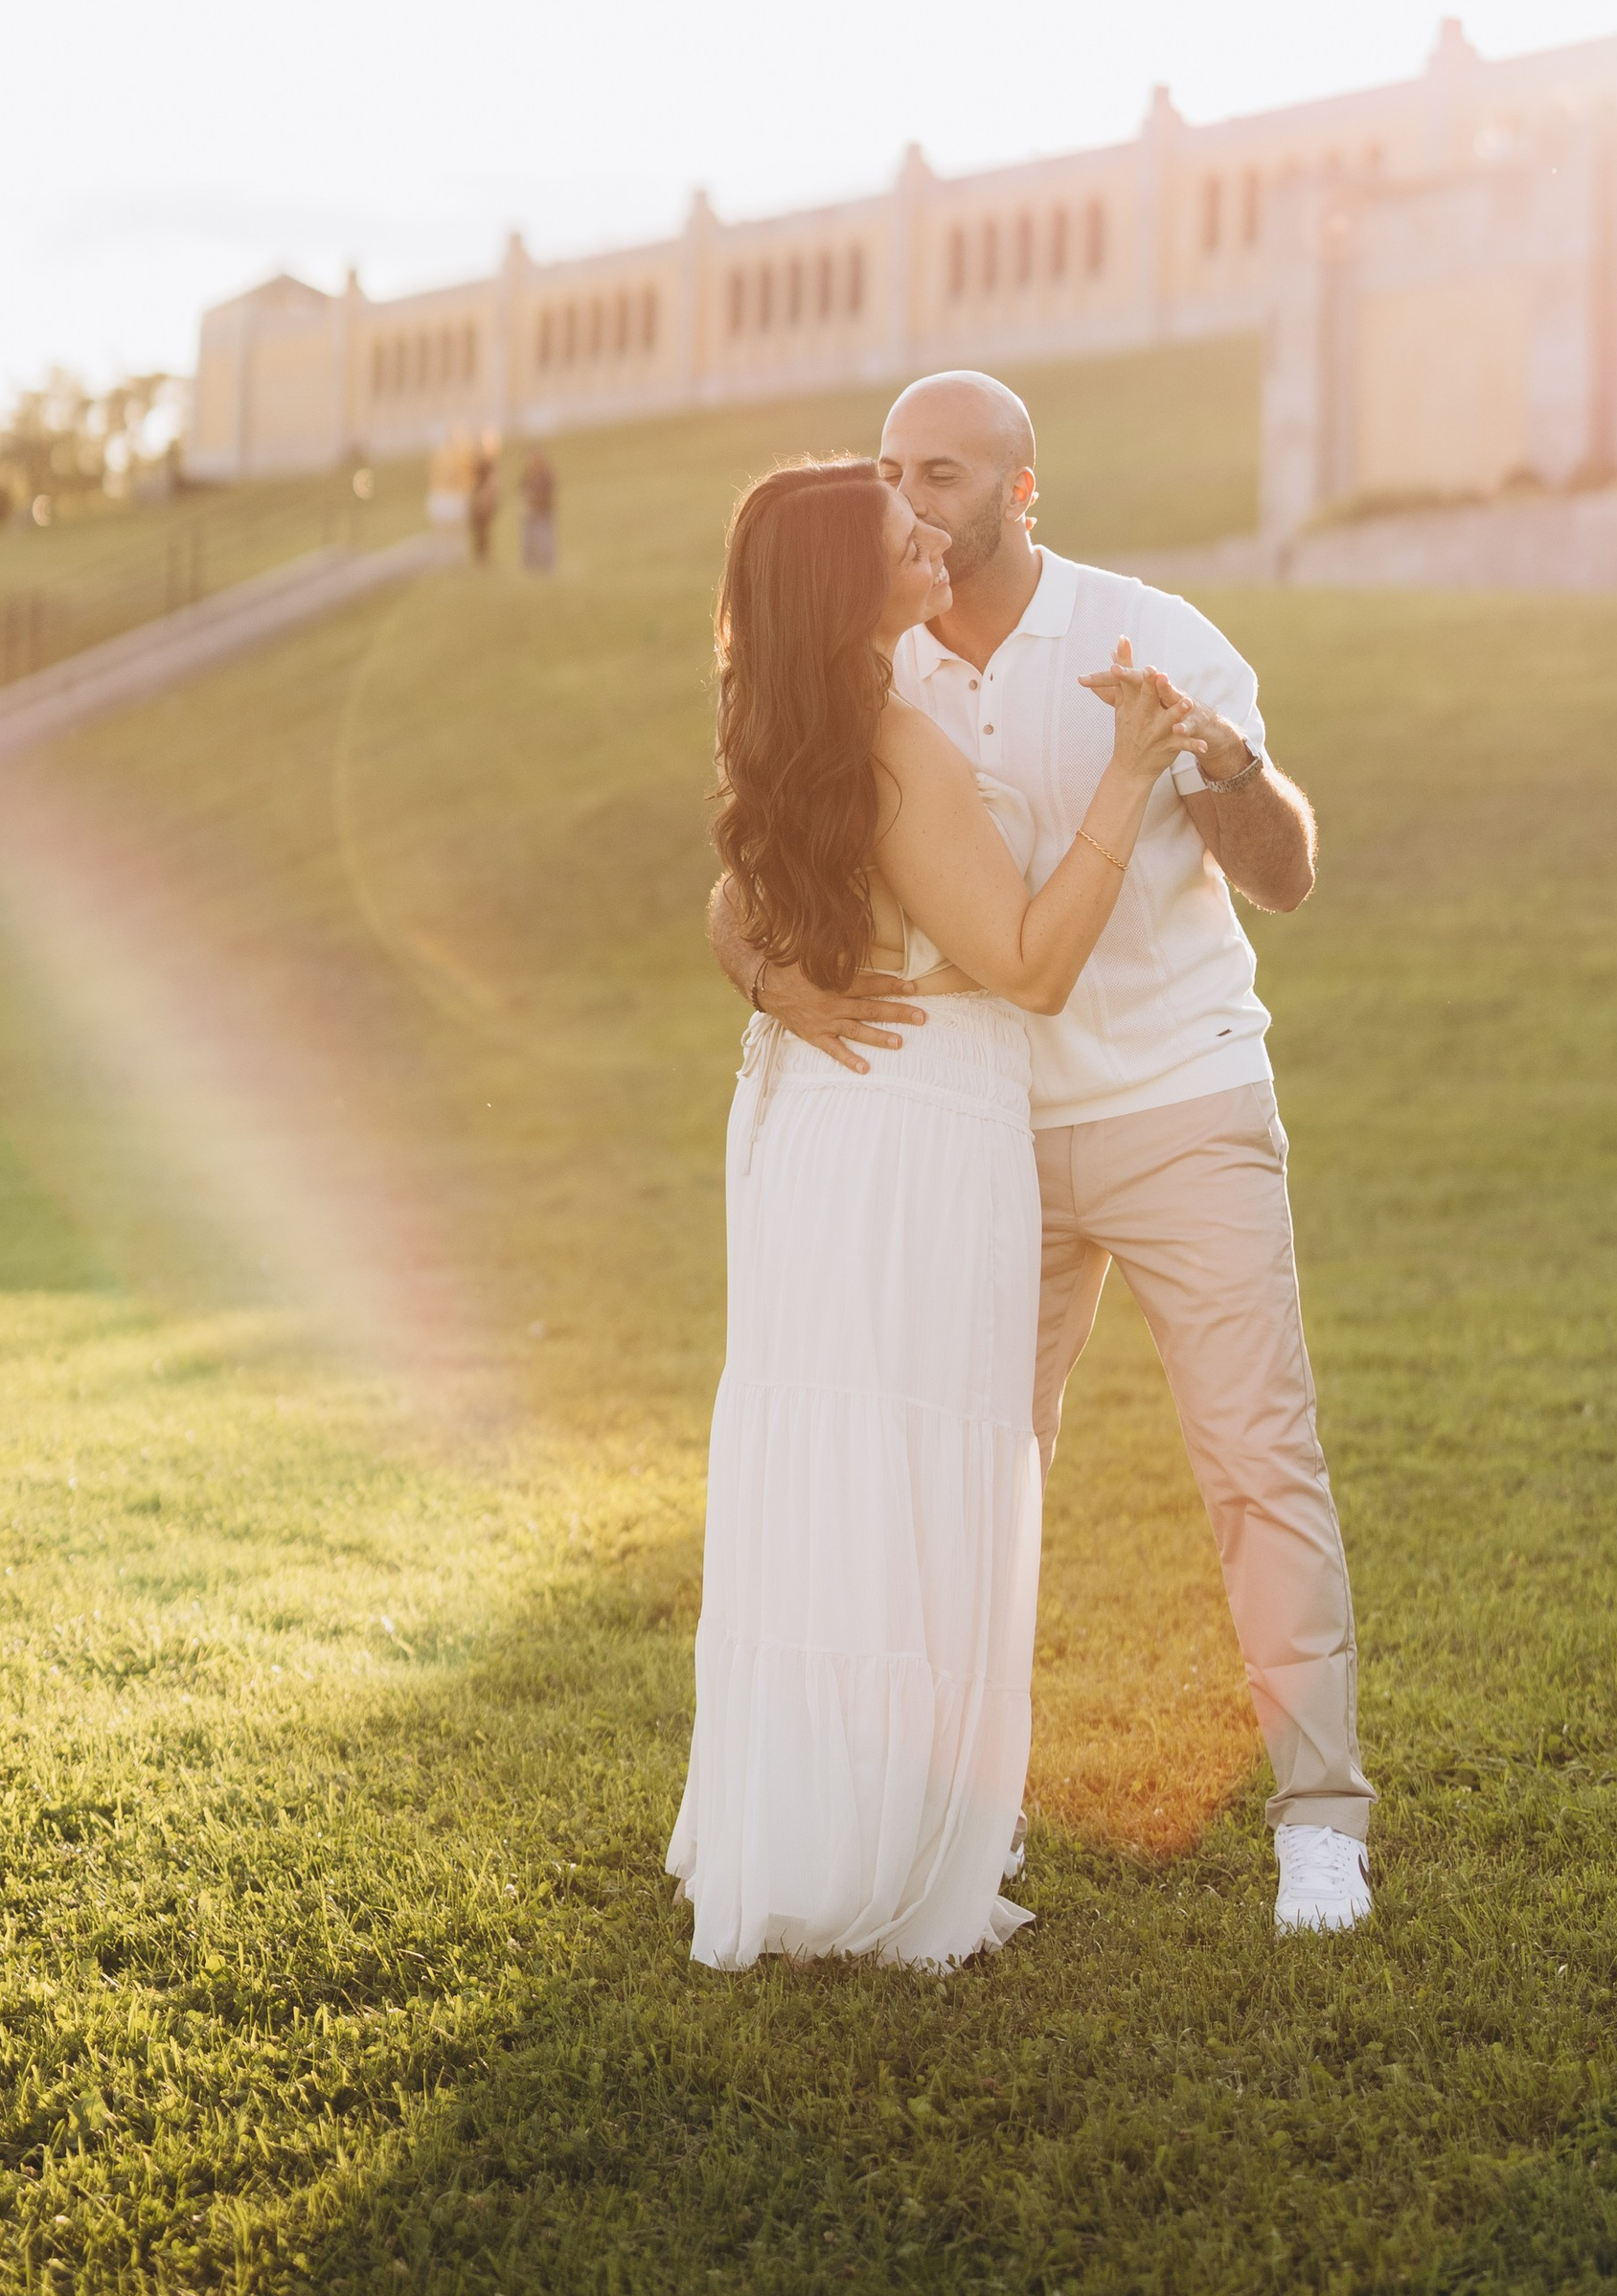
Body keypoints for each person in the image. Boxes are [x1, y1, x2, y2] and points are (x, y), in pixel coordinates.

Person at [710, 373, 1375, 1938]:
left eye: (939, 471)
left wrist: (1216, 767)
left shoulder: (1154, 633)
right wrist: (770, 975)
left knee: (1256, 1459)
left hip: (1177, 1102)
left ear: (1022, 491)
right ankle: (955, 1825)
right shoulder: (869, 654)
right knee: (970, 1490)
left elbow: (1285, 878)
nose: (909, 496)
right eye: (888, 471)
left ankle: (1322, 1827)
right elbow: (751, 864)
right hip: (975, 1140)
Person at [669, 456, 1197, 1969]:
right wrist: (1130, 768)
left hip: (812, 1125)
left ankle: (805, 1819)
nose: (924, 527)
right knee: (904, 1458)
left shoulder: (795, 726)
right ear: (854, 581)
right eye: (895, 526)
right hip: (911, 1124)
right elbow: (1027, 965)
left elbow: (730, 901)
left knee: (834, 1458)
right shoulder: (896, 737)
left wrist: (767, 975)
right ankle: (873, 1854)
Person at [518, 447, 558, 574]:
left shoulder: (546, 474)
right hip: (530, 511)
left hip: (543, 511)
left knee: (544, 540)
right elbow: (521, 488)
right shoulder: (528, 473)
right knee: (528, 540)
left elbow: (549, 491)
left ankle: (547, 565)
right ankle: (529, 565)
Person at [468, 437, 500, 566]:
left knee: (484, 531)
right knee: (479, 531)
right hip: (478, 500)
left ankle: (483, 557)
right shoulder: (477, 463)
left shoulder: (487, 463)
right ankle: (480, 557)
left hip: (484, 500)